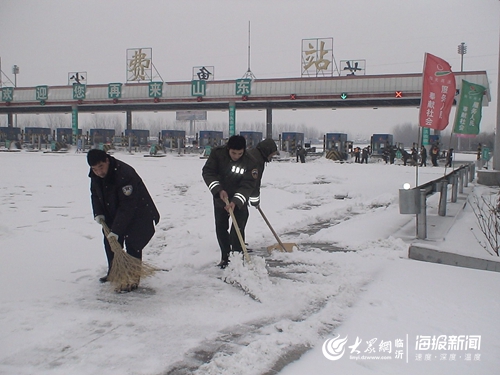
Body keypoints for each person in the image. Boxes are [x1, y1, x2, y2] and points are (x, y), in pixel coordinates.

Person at [87, 149, 160, 291]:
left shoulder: (124, 174)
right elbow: (95, 194)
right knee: (111, 244)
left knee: (133, 244)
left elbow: (128, 206)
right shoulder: (95, 176)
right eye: (94, 169)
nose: (99, 172)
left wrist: (117, 230)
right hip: (113, 212)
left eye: (101, 167)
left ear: (107, 160)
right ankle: (114, 273)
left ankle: (132, 279)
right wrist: (99, 213)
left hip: (138, 213)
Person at [202, 135, 258, 269]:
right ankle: (225, 258)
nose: (236, 156)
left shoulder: (250, 161)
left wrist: (236, 201)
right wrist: (218, 190)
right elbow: (208, 172)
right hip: (221, 197)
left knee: (238, 229)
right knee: (221, 228)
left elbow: (248, 184)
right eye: (233, 153)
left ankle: (237, 259)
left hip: (239, 200)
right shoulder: (217, 154)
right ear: (228, 149)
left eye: (240, 153)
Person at [247, 138, 279, 208]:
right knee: (241, 216)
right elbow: (255, 181)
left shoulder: (253, 152)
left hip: (232, 187)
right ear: (268, 151)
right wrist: (255, 201)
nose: (272, 156)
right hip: (238, 190)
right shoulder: (258, 160)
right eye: (272, 154)